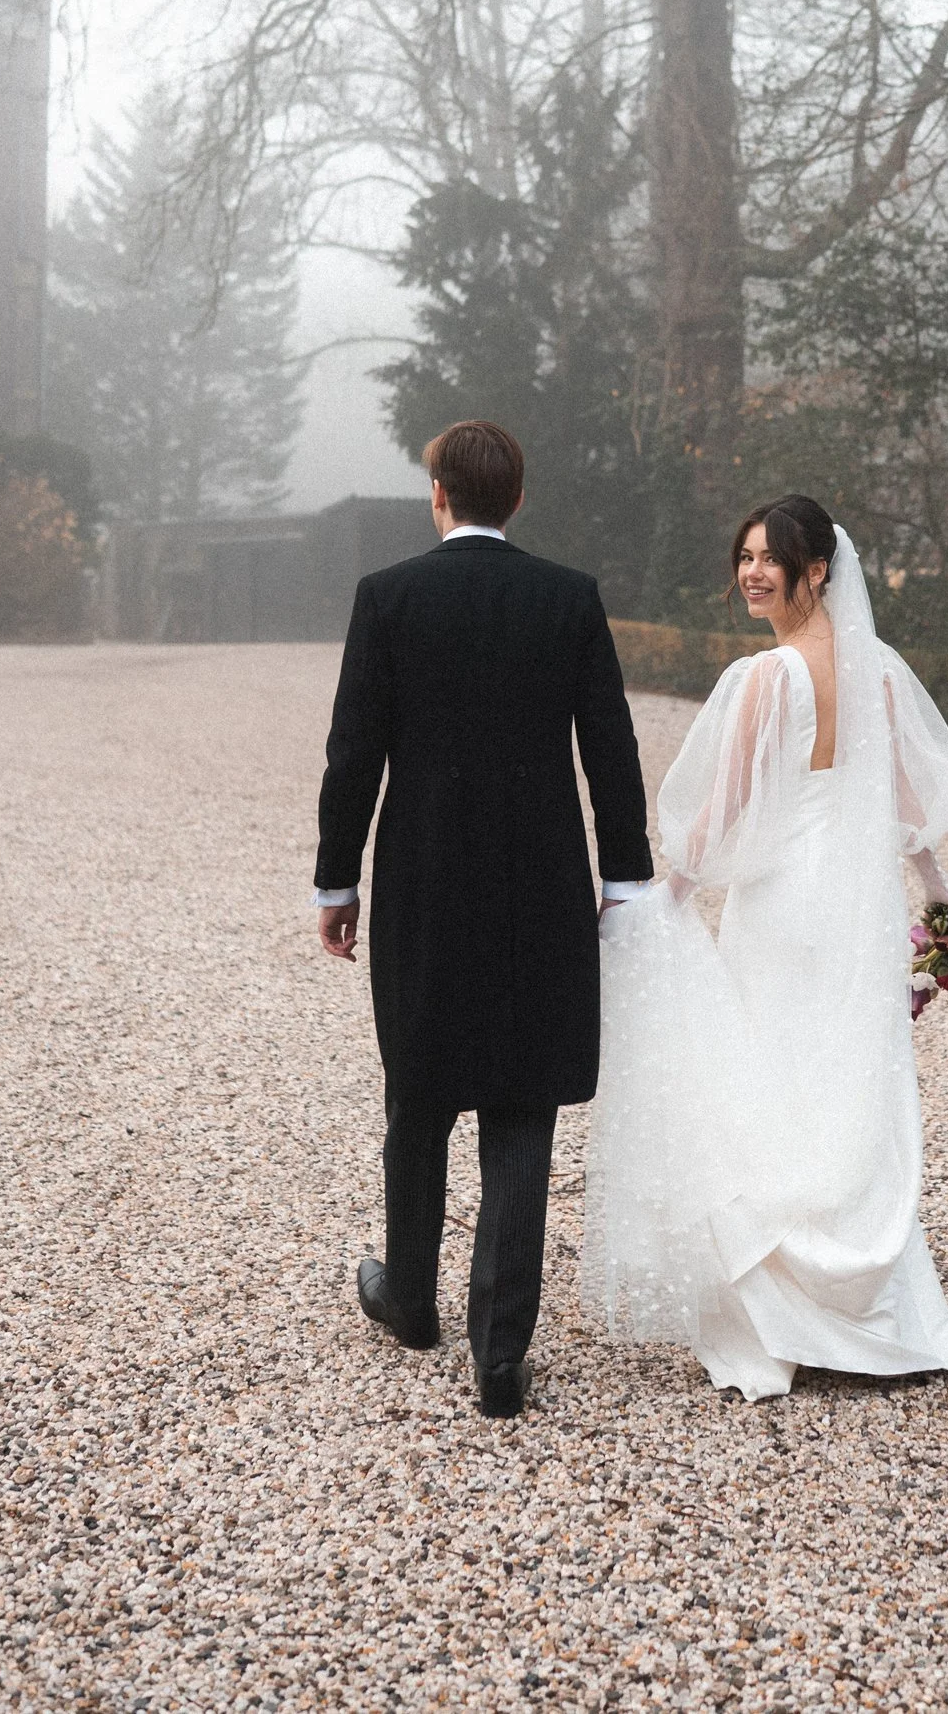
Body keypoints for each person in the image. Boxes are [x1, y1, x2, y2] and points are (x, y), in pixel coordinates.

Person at [583, 494, 948, 1401]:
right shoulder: (878, 673)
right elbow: (911, 806)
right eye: (745, 556)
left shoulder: (761, 681)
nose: (752, 573)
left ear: (819, 571)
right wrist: (944, 904)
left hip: (782, 907)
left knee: (774, 1083)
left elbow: (720, 817)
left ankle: (786, 1307)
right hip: (859, 910)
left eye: (770, 559)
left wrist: (662, 897)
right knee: (849, 1082)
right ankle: (866, 1299)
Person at [313, 419, 653, 1417]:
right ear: (517, 497)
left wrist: (336, 882)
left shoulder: (388, 598)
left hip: (420, 878)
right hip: (540, 884)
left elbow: (352, 754)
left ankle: (410, 1298)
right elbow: (611, 749)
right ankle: (497, 1352)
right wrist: (624, 879)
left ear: (437, 495)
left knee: (418, 1091)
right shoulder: (567, 598)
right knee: (519, 1104)